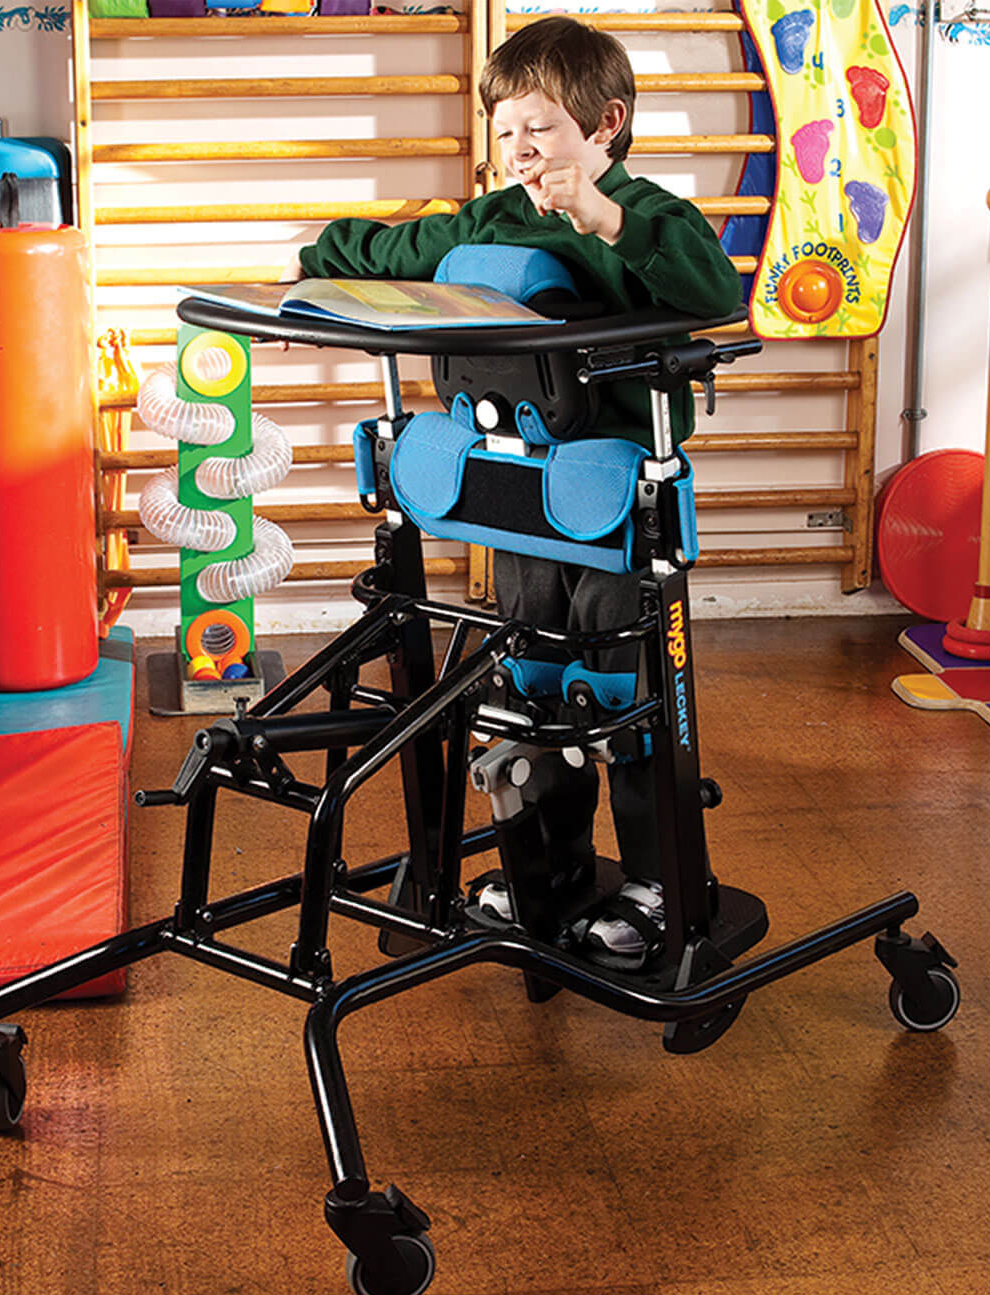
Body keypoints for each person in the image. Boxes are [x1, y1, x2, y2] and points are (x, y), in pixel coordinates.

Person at [290, 16, 741, 962]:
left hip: (614, 506)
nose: (520, 148)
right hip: (518, 498)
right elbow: (398, 252)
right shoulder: (492, 218)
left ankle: (660, 885)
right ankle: (555, 870)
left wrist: (605, 218)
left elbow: (712, 291)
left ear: (607, 124)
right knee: (530, 688)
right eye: (505, 131)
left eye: (540, 127)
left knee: (615, 694)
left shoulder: (648, 216)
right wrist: (317, 258)